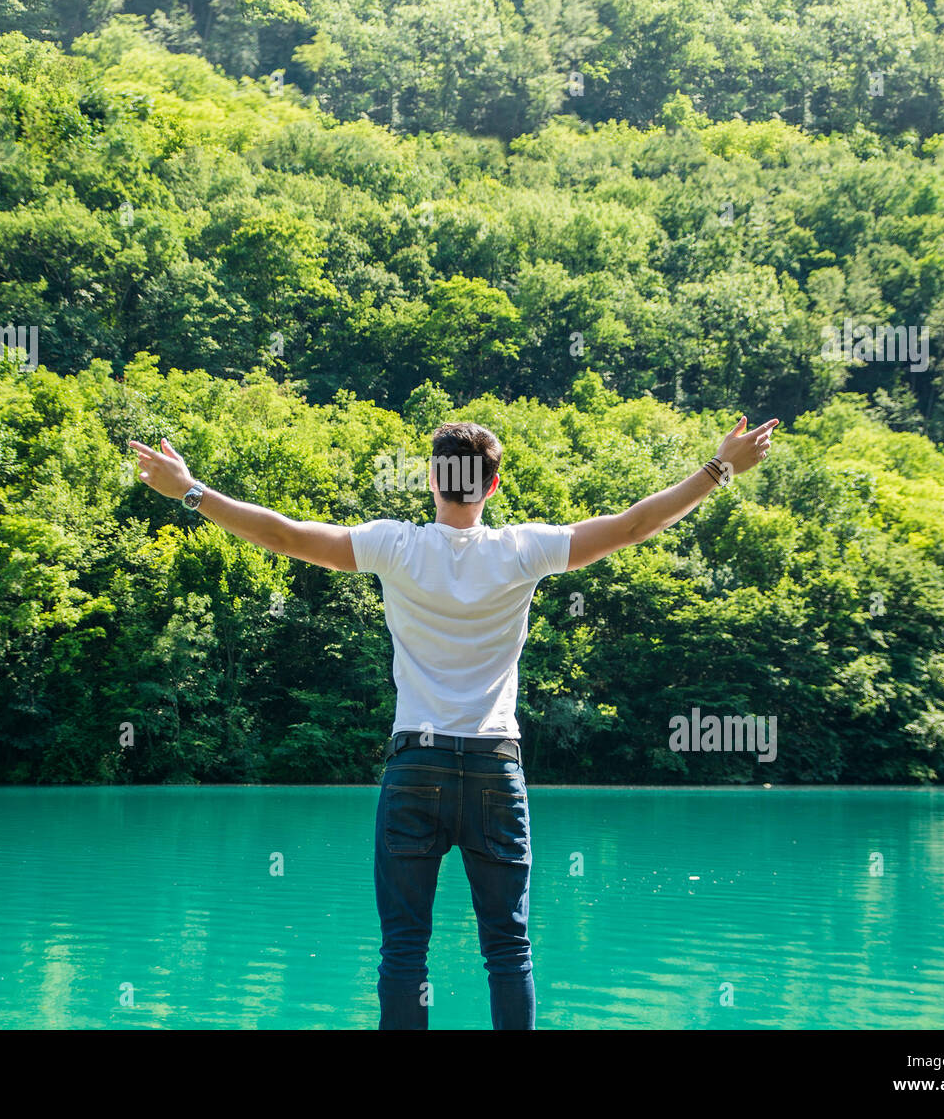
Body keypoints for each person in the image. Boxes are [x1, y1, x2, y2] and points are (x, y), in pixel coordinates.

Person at [129, 412, 777, 1029]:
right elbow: (634, 525)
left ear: (434, 481)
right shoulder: (523, 550)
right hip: (496, 768)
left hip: (416, 766)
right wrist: (719, 468)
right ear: (492, 485)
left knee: (405, 949)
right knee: (508, 949)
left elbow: (284, 534)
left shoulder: (394, 546)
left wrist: (189, 492)